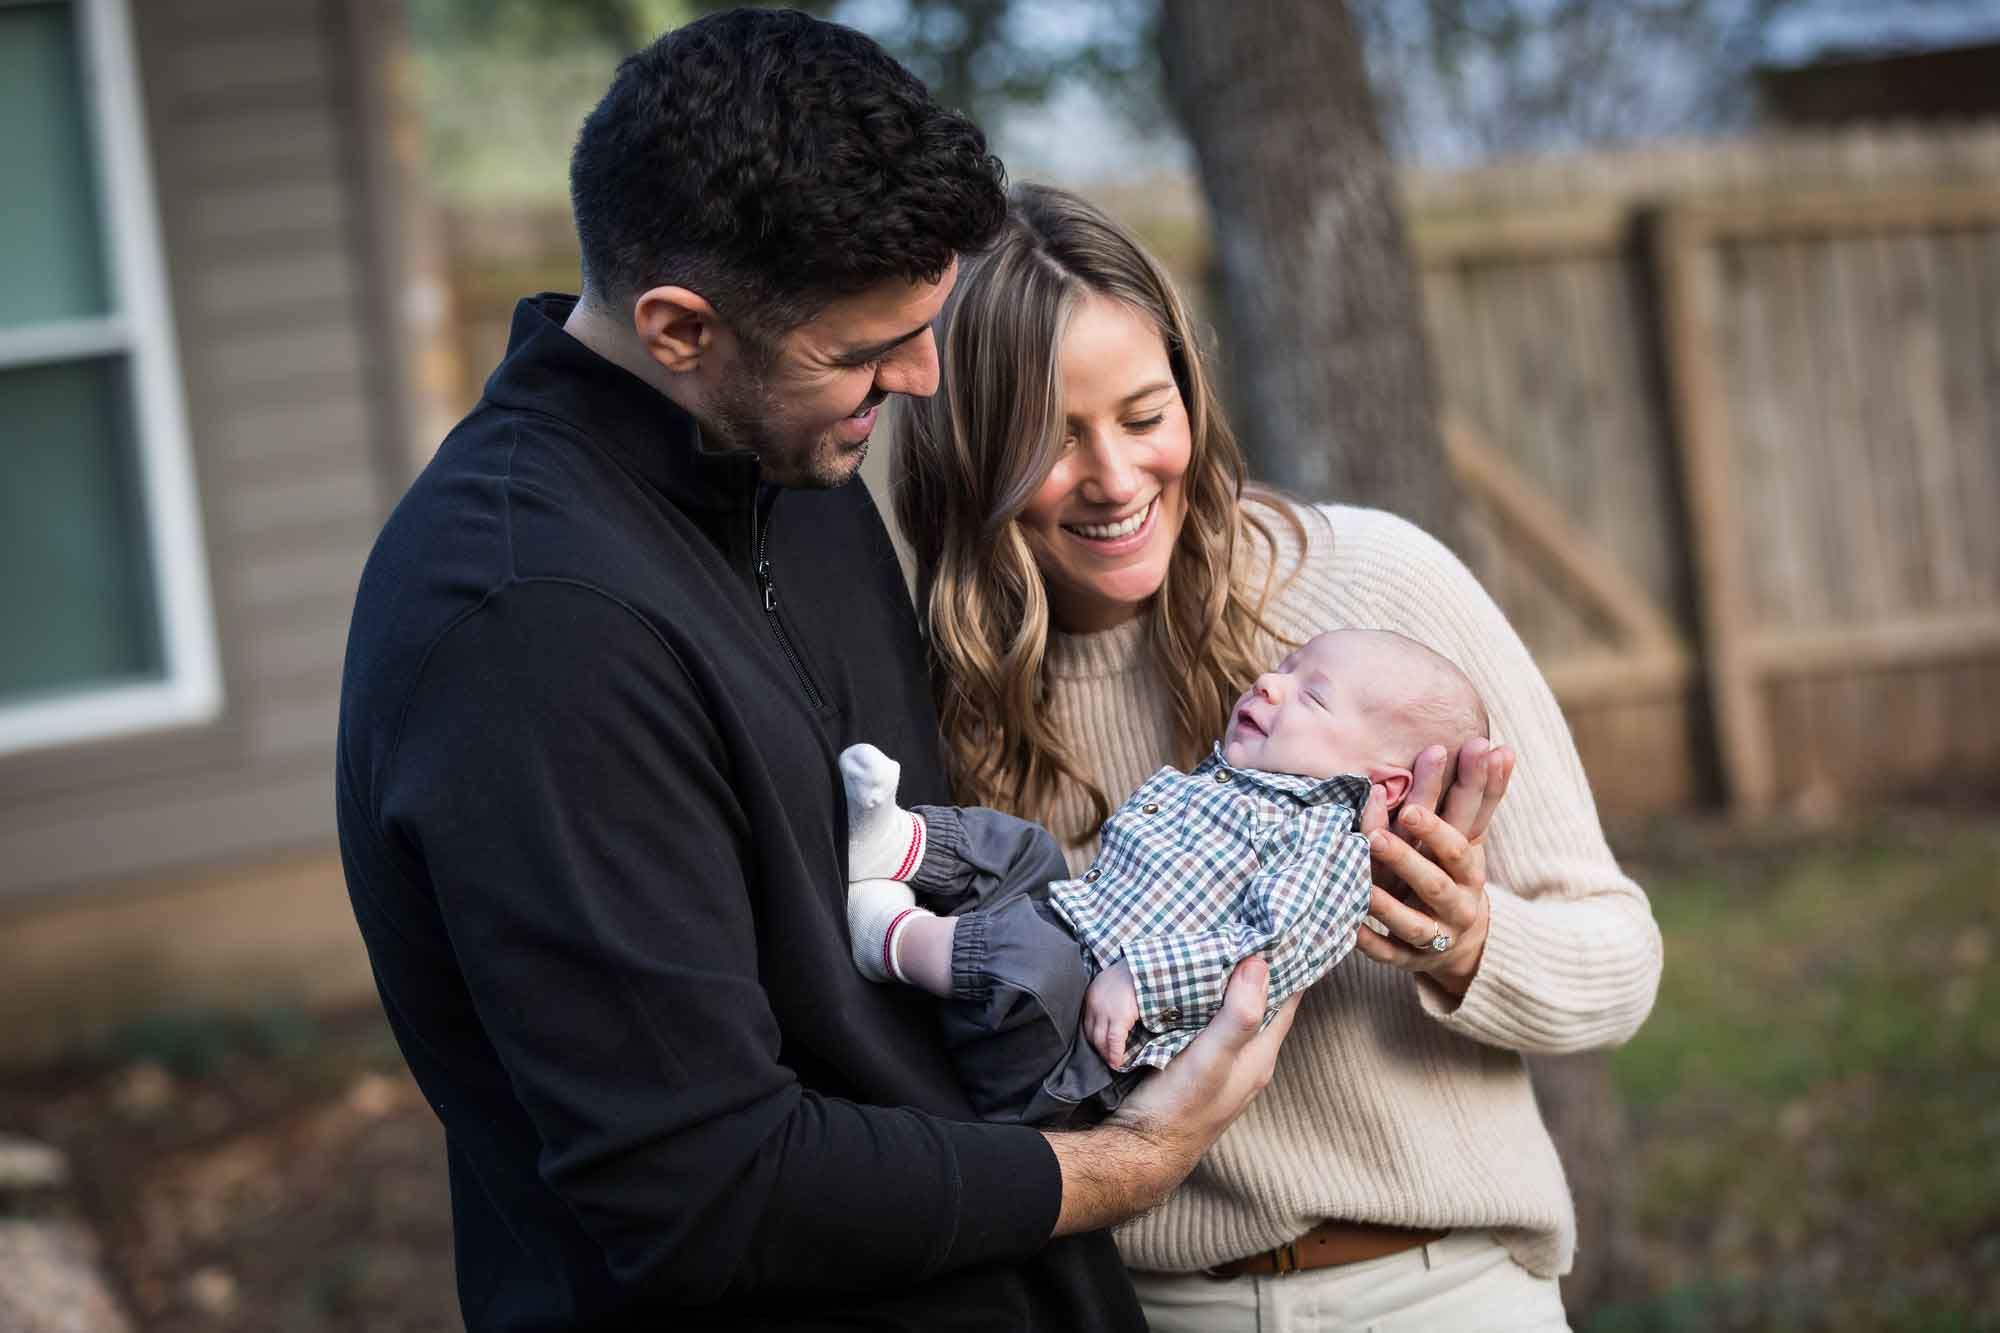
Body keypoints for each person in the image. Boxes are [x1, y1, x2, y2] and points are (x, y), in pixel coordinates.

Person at [335, 15, 1297, 1332]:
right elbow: (707, 1190)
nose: (918, 380)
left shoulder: (797, 467)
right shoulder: (530, 631)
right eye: (863, 353)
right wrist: (1129, 1166)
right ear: (678, 328)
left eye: (925, 325)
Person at [890, 183, 1663, 1330]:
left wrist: (1465, 942)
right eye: (1053, 439)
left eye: (1144, 414)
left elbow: (1619, 962)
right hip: (1154, 1308)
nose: (1112, 475)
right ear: (966, 450)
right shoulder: (940, 693)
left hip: (1441, 1290)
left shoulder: (1369, 589)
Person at [836, 629, 1488, 1126]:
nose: (1267, 684)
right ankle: (895, 845)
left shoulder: (1328, 856)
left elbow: (1263, 949)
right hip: (1067, 936)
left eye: (1311, 696)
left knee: (1035, 960)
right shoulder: (1240, 784)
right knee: (1031, 848)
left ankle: (889, 936)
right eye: (1282, 668)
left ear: (1384, 783)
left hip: (1073, 1048)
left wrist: (1142, 980)